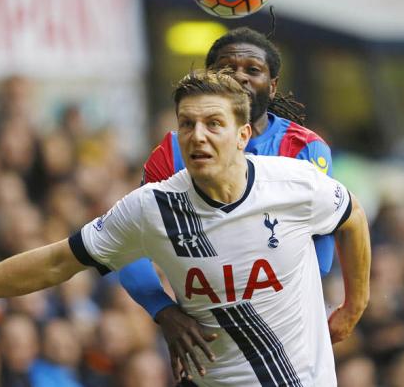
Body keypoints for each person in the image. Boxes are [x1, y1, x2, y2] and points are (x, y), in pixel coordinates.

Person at [0, 71, 371, 386]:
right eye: (187, 124)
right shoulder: (153, 208)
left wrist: (354, 304)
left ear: (243, 134)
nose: (197, 136)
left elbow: (353, 218)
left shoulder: (295, 184)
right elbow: (58, 261)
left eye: (213, 123)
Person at [118, 26, 337, 376]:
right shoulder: (175, 150)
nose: (240, 77)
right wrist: (164, 311)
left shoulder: (304, 150)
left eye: (253, 70)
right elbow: (123, 244)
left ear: (273, 85)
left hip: (286, 344)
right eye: (227, 69)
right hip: (206, 350)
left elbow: (321, 257)